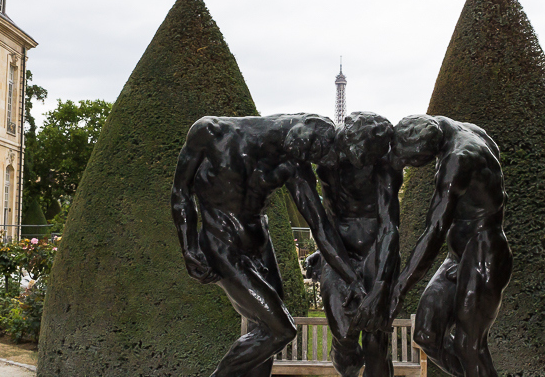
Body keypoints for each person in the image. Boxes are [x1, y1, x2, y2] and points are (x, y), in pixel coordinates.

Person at [171, 114, 364, 377]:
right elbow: (181, 191)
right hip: (221, 241)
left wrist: (351, 278)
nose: (309, 161)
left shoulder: (294, 159)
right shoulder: (211, 132)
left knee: (262, 329)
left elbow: (319, 225)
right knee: (280, 329)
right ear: (300, 131)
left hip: (260, 245)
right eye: (314, 153)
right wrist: (188, 246)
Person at [388, 114, 513, 377]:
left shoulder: (457, 160)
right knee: (425, 334)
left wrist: (398, 289)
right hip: (458, 255)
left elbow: (434, 231)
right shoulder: (468, 130)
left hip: (484, 251)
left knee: (469, 346)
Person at [316, 111, 402, 377]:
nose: (367, 160)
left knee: (376, 340)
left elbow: (389, 226)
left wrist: (381, 285)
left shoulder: (384, 163)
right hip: (339, 249)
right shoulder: (325, 156)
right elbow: (323, 215)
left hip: (376, 249)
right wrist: (325, 252)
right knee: (344, 335)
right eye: (363, 153)